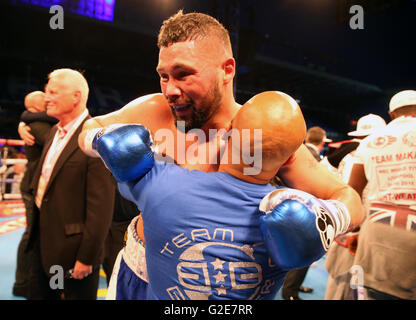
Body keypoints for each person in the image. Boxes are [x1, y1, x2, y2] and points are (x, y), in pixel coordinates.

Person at [77, 11, 364, 299]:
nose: (170, 90)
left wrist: (327, 219)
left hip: (218, 283)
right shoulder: (157, 111)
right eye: (163, 76)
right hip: (136, 270)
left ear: (227, 70)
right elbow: (89, 127)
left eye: (183, 74)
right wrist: (100, 139)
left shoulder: (261, 135)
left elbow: (348, 198)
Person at [93, 91, 362, 300]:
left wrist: (100, 138)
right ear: (291, 157)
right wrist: (328, 219)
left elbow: (114, 147)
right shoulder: (293, 220)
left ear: (229, 129)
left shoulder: (161, 183)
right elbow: (352, 204)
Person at [25, 68, 115, 300]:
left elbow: (101, 208)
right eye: (47, 91)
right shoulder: (54, 130)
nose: (46, 97)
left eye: (53, 92)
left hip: (73, 255)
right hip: (42, 244)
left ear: (76, 96)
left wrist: (87, 257)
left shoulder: (95, 137)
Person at [348, 90, 416, 300]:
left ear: (391, 114)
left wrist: (355, 231)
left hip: (376, 230)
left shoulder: (371, 141)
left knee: (369, 293)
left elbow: (353, 190)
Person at [324, 113, 386, 300]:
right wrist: (355, 230)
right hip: (355, 229)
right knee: (347, 285)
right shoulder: (363, 155)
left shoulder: (347, 154)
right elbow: (357, 194)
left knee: (344, 284)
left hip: (344, 224)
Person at [13, 91, 58, 298]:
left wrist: (22, 122)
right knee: (32, 232)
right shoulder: (38, 125)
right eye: (45, 98)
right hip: (33, 184)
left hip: (35, 182)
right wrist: (24, 121)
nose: (49, 100)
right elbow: (54, 136)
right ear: (35, 105)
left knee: (36, 231)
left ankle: (29, 279)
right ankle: (24, 281)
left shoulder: (32, 121)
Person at [281, 125, 331, 300]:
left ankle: (291, 288)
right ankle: (290, 292)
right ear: (322, 141)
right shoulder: (314, 158)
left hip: (290, 207)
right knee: (303, 252)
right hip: (304, 211)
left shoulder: (297, 152)